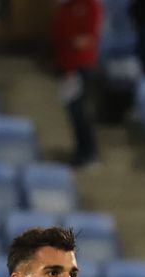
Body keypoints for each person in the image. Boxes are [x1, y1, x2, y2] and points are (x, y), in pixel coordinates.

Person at [53, 0, 103, 169]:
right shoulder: (65, 8)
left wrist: (73, 44)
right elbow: (59, 36)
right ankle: (80, 151)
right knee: (72, 111)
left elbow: (87, 39)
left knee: (80, 111)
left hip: (81, 66)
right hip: (64, 66)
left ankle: (90, 152)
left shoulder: (91, 6)